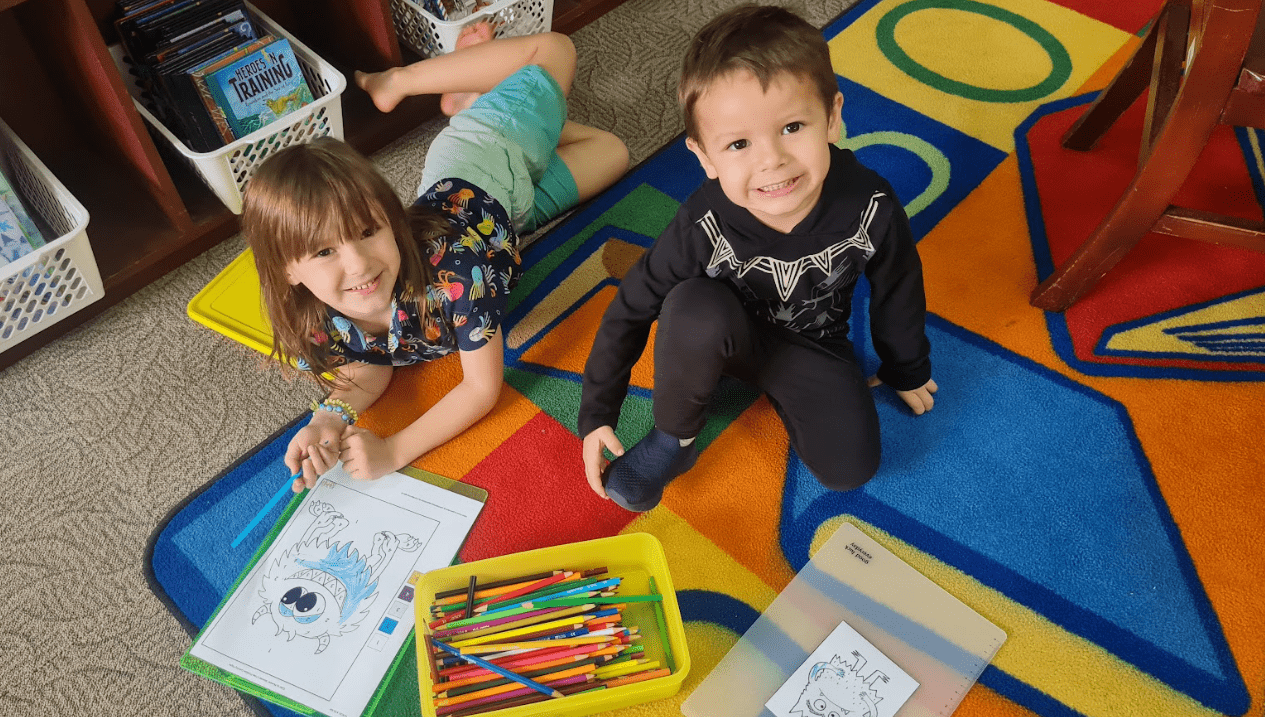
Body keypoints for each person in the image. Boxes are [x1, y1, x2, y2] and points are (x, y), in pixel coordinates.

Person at [578, 5, 936, 512]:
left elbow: (899, 286)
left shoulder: (870, 204)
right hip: (714, 333)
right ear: (704, 157)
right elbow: (633, 305)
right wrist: (597, 412)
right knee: (693, 305)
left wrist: (907, 368)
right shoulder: (704, 219)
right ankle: (674, 442)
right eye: (739, 143)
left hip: (815, 347)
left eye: (792, 126)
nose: (771, 159)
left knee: (849, 470)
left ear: (832, 117)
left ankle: (782, 391)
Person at [242, 31, 629, 493]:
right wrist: (330, 416)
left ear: (391, 219)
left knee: (555, 51)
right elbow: (369, 359)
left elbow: (482, 389)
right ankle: (494, 104)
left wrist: (395, 450)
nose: (360, 264)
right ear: (288, 270)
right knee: (614, 152)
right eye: (325, 251)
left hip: (478, 162)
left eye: (368, 232)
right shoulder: (310, 316)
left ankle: (400, 81)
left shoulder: (458, 276)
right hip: (506, 218)